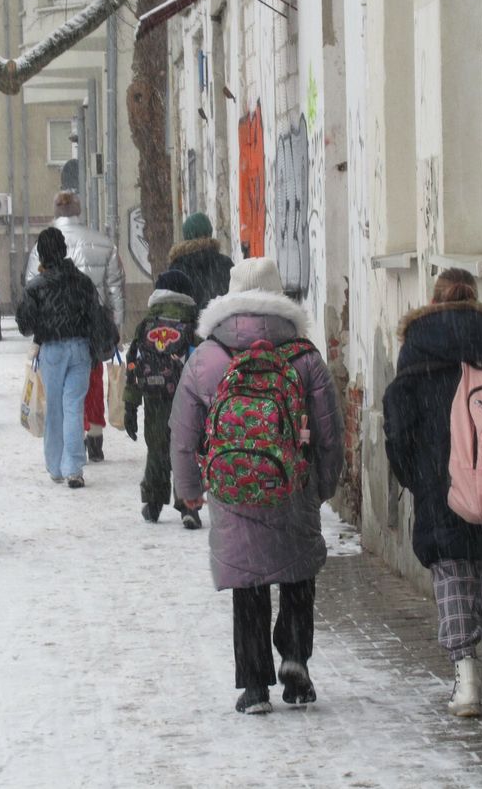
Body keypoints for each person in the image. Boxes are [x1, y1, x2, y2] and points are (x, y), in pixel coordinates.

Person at [170, 257, 343, 715]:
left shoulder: (207, 357)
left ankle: (253, 685)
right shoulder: (304, 357)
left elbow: (184, 431)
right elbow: (328, 431)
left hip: (233, 489)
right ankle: (295, 663)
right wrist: (322, 484)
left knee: (248, 580)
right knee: (297, 572)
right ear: (280, 296)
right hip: (293, 484)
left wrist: (189, 487)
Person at [382, 268, 482, 718]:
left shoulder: (416, 348)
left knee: (452, 576)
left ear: (434, 300)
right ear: (474, 299)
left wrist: (416, 477)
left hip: (438, 477)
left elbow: (399, 425)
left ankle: (466, 681)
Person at [25, 190, 125, 462]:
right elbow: (115, 289)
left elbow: (31, 291)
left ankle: (65, 456)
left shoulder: (40, 247)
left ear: (55, 211)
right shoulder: (104, 244)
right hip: (91, 325)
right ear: (80, 210)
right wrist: (114, 329)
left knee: (60, 398)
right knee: (91, 382)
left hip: (54, 332)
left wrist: (37, 335)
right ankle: (94, 434)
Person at [16, 227, 109, 489]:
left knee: (54, 407)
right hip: (80, 349)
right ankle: (74, 469)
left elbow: (25, 325)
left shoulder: (35, 287)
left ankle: (55, 466)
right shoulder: (83, 282)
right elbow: (95, 317)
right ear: (65, 251)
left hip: (52, 351)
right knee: (73, 407)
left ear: (42, 255)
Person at [123, 269, 202, 529]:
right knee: (184, 448)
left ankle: (154, 502)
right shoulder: (193, 324)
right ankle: (188, 505)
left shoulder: (147, 324)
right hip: (186, 398)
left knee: (157, 450)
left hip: (154, 397)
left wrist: (130, 405)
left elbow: (134, 364)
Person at [167, 212, 234, 310]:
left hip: (188, 324)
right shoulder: (225, 264)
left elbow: (170, 306)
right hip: (221, 323)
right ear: (209, 233)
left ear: (186, 236)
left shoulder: (176, 268)